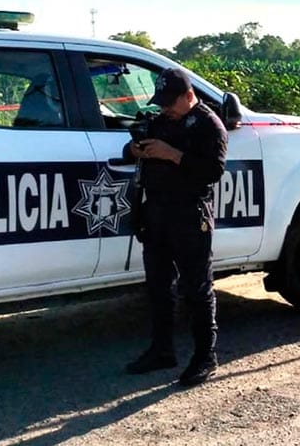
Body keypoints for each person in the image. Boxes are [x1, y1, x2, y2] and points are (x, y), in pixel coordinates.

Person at [123, 66, 228, 387]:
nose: (165, 107)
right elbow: (129, 152)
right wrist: (134, 150)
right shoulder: (159, 120)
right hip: (155, 211)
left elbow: (213, 170)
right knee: (158, 286)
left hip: (189, 213)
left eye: (171, 101)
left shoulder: (208, 125)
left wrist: (173, 155)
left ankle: (205, 356)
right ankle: (162, 349)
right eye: (162, 101)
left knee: (196, 287)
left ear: (189, 95)